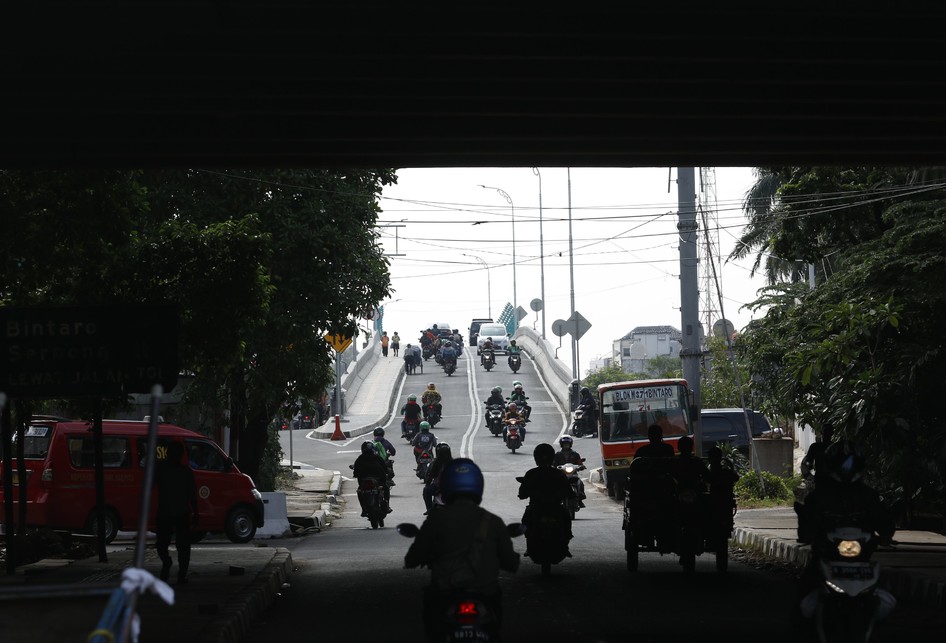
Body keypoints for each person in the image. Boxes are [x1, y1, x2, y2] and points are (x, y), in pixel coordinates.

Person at [404, 458, 520, 643]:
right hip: (485, 592)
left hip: (445, 591)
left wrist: (422, 559)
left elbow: (413, 558)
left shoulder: (436, 520)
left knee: (431, 615)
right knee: (495, 617)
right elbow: (511, 562)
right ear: (478, 485)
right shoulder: (493, 521)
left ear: (447, 486)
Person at [793, 440, 896, 626]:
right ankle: (803, 631)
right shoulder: (818, 497)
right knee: (804, 597)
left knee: (886, 597)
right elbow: (806, 520)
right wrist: (808, 534)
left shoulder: (869, 496)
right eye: (842, 464)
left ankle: (875, 630)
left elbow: (883, 518)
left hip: (861, 559)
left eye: (850, 464)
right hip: (826, 556)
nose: (846, 469)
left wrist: (887, 533)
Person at [517, 443, 575, 553]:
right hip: (550, 507)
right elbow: (568, 491)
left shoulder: (532, 473)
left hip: (541, 507)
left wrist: (524, 494)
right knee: (565, 517)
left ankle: (531, 545)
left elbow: (522, 492)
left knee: (527, 518)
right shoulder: (558, 474)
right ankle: (564, 545)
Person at [155, 440, 199, 584]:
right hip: (172, 513)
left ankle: (179, 573)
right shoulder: (167, 471)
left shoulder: (182, 472)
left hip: (173, 513)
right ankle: (173, 568)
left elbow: (192, 495)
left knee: (180, 546)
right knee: (173, 546)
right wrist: (195, 512)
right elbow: (192, 495)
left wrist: (195, 512)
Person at [352, 441, 391, 517]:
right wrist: (386, 472)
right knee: (385, 488)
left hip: (365, 479)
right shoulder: (376, 457)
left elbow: (356, 470)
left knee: (360, 492)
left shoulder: (360, 458)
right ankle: (387, 505)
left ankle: (364, 509)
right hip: (377, 478)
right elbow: (384, 468)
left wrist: (355, 474)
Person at [553, 435, 586, 507]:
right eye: (564, 444)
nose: (566, 446)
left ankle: (580, 500)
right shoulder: (558, 454)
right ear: (561, 445)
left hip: (573, 474)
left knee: (580, 483)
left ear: (570, 444)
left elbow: (579, 462)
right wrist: (553, 467)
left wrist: (581, 466)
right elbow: (554, 463)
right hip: (561, 475)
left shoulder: (575, 454)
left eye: (567, 444)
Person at [423, 442, 453, 514]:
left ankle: (429, 509)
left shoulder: (436, 463)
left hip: (438, 487)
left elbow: (431, 476)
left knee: (426, 491)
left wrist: (427, 484)